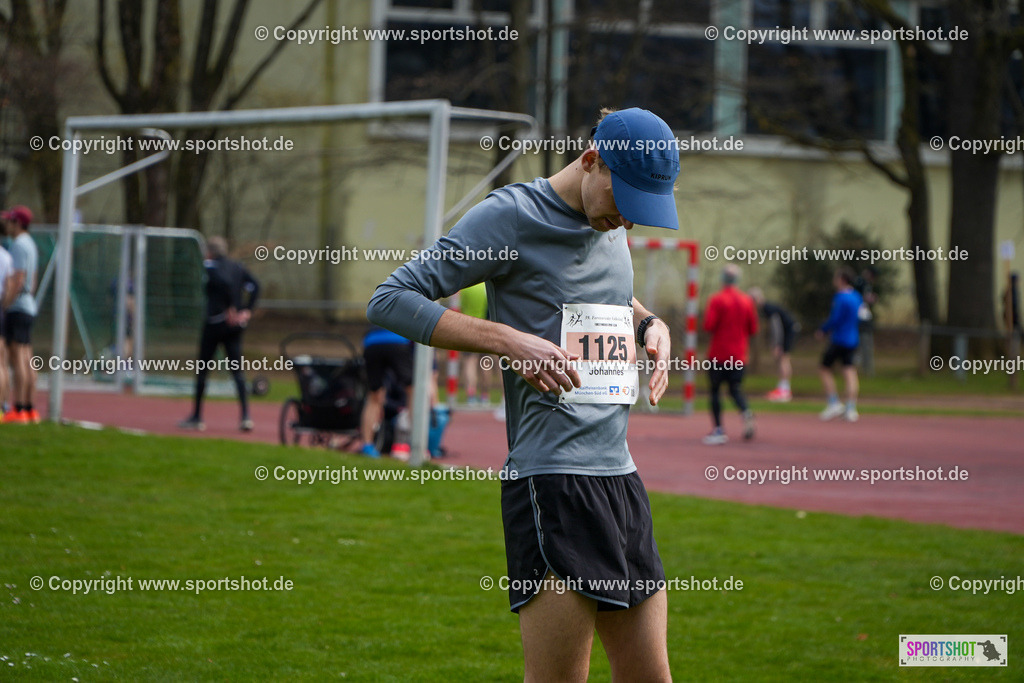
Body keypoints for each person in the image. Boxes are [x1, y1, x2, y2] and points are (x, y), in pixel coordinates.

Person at [368, 107, 677, 681]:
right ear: (592, 161)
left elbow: (606, 296)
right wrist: (509, 341)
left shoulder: (608, 219)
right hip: (552, 482)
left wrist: (649, 326)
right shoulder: (510, 216)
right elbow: (389, 300)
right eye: (626, 203)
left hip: (621, 478)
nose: (629, 223)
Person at [179, 237, 259, 432]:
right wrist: (246, 310)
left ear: (210, 252)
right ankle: (245, 416)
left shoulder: (211, 266)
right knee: (237, 370)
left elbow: (225, 283)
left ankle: (197, 416)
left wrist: (230, 306)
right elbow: (256, 286)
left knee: (203, 370)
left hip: (215, 323)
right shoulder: (237, 267)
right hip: (234, 328)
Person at [702, 265, 758, 445]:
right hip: (739, 354)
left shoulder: (717, 300)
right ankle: (746, 412)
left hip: (719, 354)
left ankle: (719, 429)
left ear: (723, 278)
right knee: (735, 389)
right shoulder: (747, 300)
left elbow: (709, 325)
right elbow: (753, 328)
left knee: (715, 391)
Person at [2, 205, 40, 424]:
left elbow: (19, 279)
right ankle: (30, 408)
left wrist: (5, 304)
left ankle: (19, 408)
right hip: (28, 305)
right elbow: (32, 279)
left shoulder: (18, 245)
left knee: (18, 359)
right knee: (27, 357)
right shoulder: (31, 244)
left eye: (10, 221)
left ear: (17, 223)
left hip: (18, 308)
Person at [358, 326, 413, 458]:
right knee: (413, 391)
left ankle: (367, 446)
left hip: (371, 341)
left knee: (374, 395)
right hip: (398, 339)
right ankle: (416, 443)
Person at [817, 266, 863, 422]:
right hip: (853, 339)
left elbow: (835, 318)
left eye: (836, 278)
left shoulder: (840, 297)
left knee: (824, 368)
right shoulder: (857, 296)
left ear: (842, 280)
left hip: (839, 339)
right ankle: (851, 408)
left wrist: (823, 330)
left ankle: (833, 402)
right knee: (849, 371)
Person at [748, 287, 797, 402]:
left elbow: (776, 327)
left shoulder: (768, 309)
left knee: (783, 359)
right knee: (782, 359)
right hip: (787, 332)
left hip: (788, 332)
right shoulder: (766, 308)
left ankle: (784, 390)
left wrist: (777, 345)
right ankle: (782, 388)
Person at [0, 239, 14, 417]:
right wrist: (4, 305)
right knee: (2, 361)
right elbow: (9, 285)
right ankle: (3, 404)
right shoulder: (5, 256)